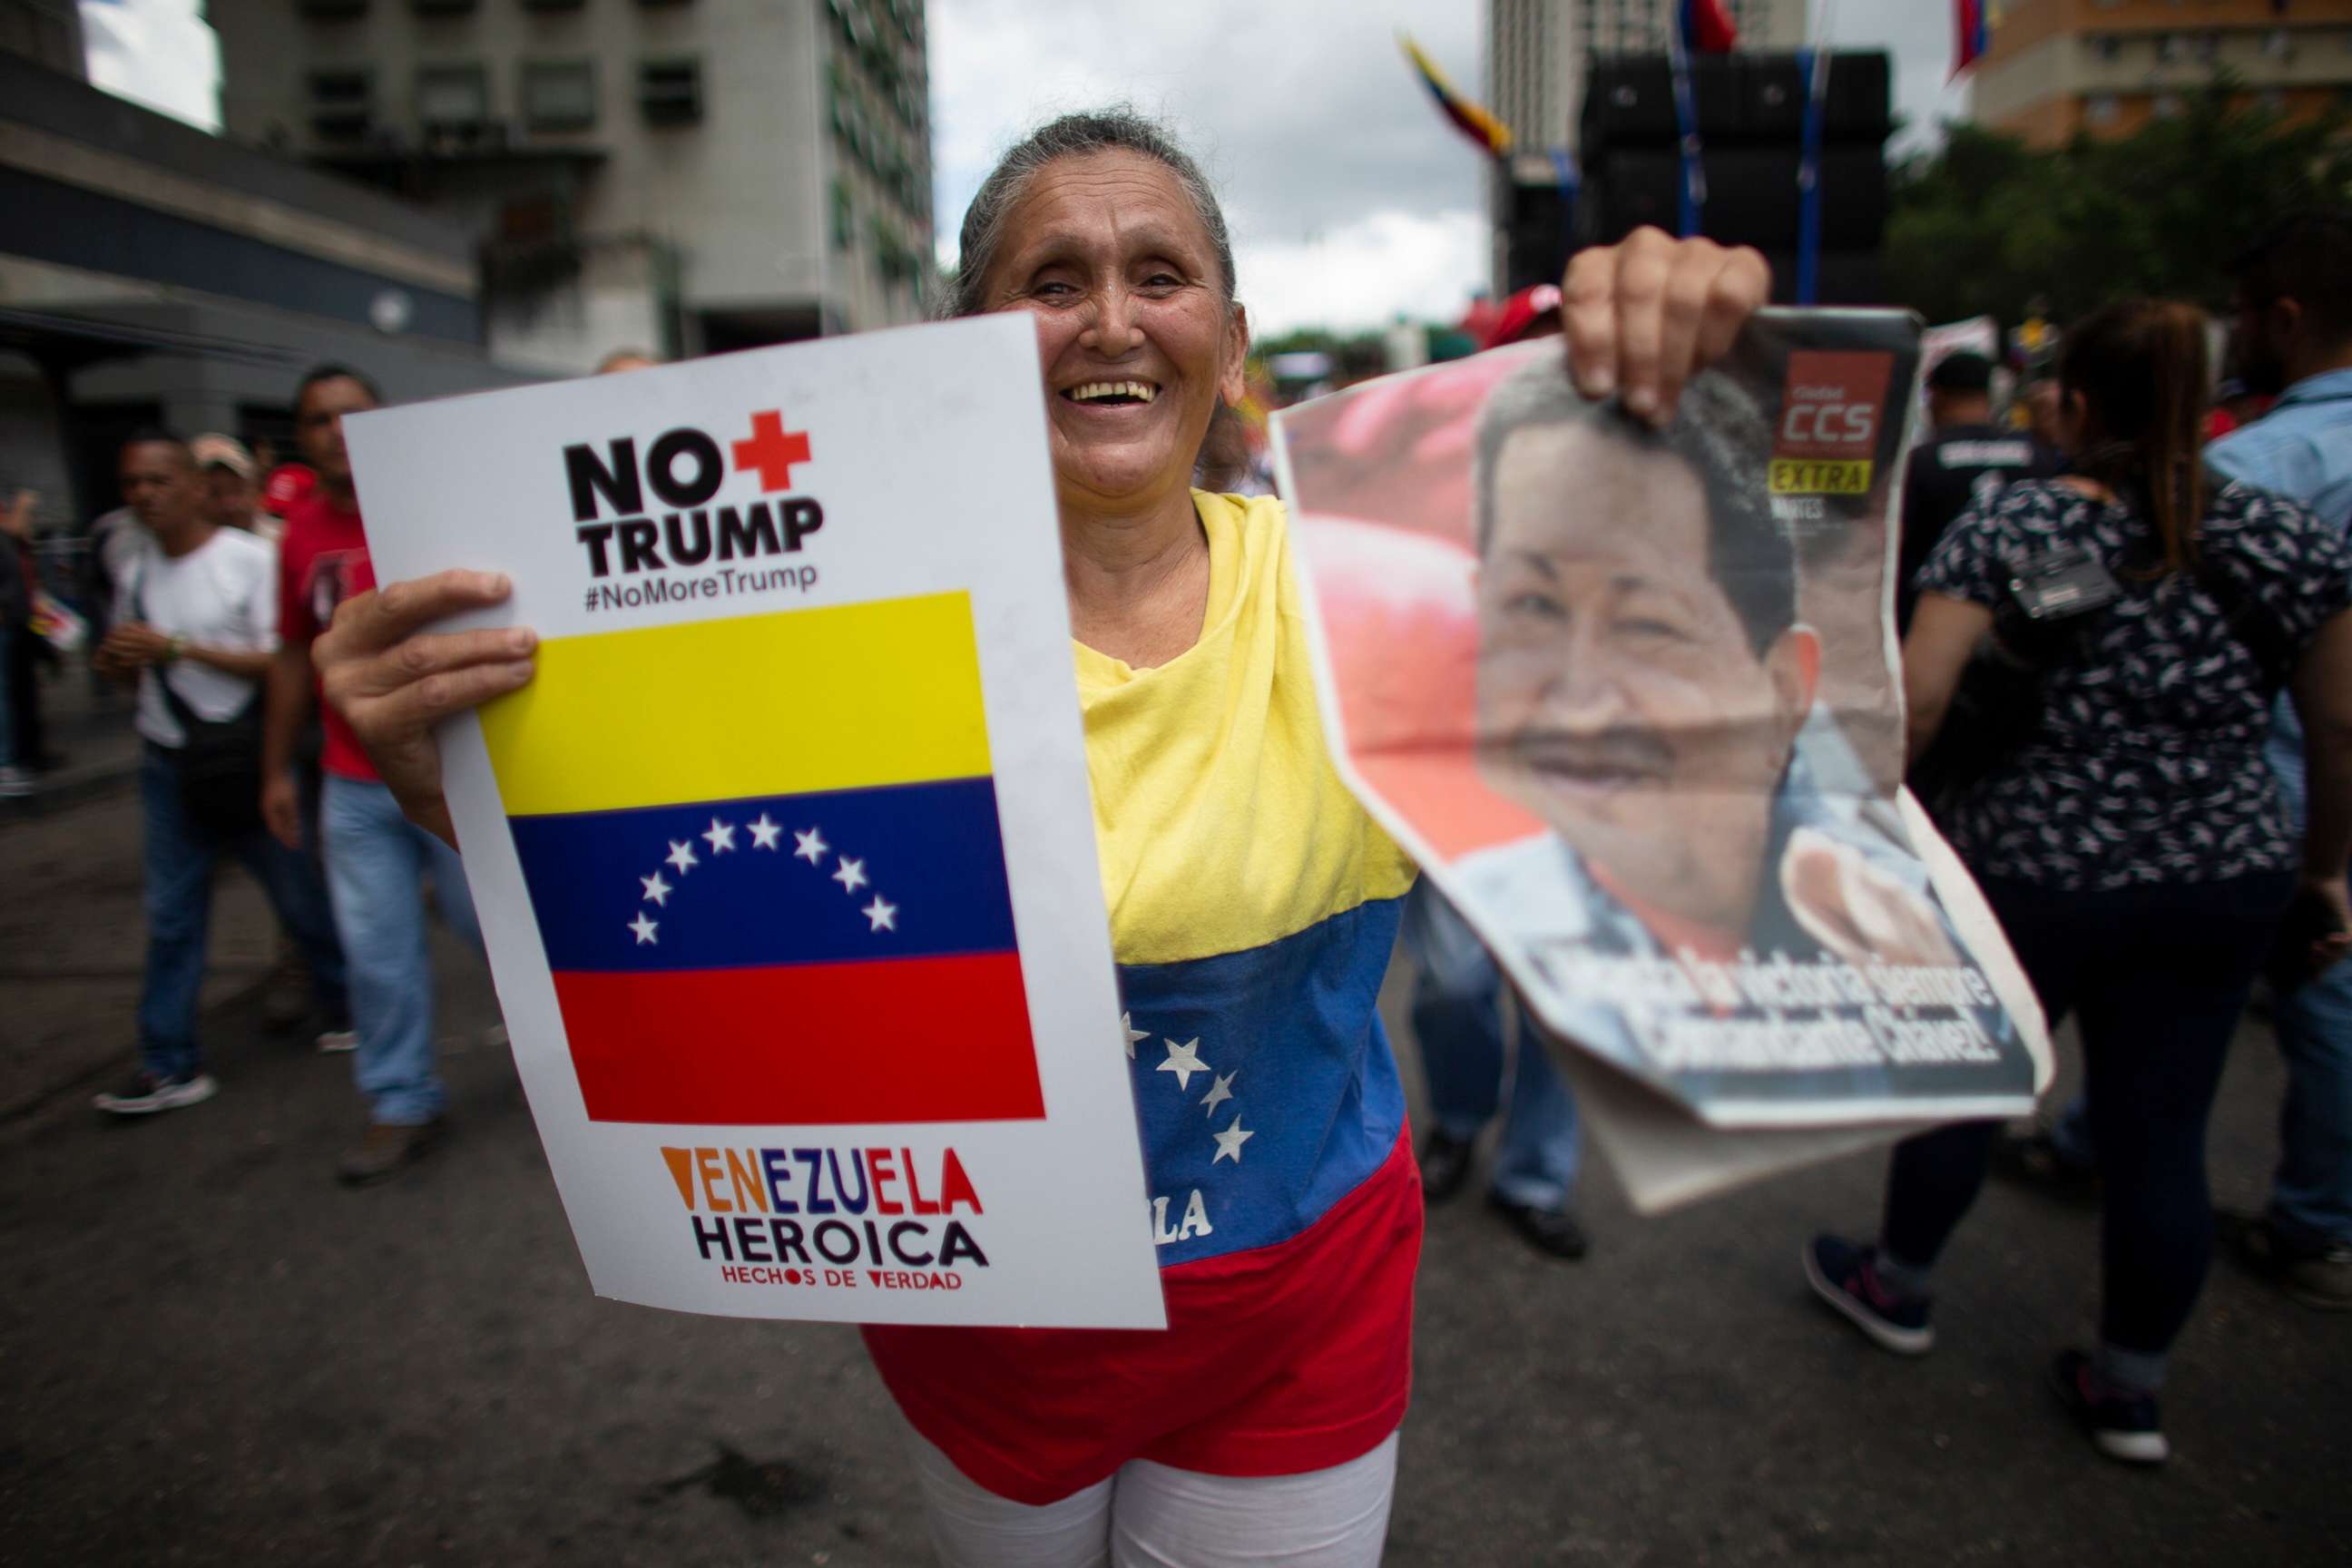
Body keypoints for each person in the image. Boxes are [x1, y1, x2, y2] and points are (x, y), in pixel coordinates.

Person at [304, 103, 1769, 1565]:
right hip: (983, 1325)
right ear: (970, 348)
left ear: (1232, 339)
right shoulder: (813, 637)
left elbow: (1668, 781)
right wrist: (466, 794)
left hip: (1297, 1315)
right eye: (1051, 281)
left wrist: (1670, 364)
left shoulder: (1377, 587)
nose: (1109, 319)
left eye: (1158, 273)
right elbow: (679, 918)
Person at [1805, 299, 2352, 1466]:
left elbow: (1929, 697)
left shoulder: (2021, 530)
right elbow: (2339, 726)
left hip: (2028, 865)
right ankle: (2131, 1387)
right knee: (2166, 1134)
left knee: (1968, 1086)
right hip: (2224, 871)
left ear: (2078, 404)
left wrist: (1867, 836)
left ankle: (1899, 1287)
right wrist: (2327, 873)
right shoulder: (2291, 539)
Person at [1454, 352, 2008, 1105]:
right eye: (1532, 607)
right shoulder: (1499, 864)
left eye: (1648, 626)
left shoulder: (1885, 921)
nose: (1575, 700)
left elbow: (1978, 1051)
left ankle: (1534, 1182)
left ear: (1783, 686)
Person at [261, 364, 481, 1184]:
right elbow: (290, 655)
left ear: (383, 422)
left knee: (494, 931)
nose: (335, 431)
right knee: (377, 953)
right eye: (317, 419)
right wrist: (279, 768)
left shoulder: (434, 514)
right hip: (352, 786)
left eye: (352, 415)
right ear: (303, 437)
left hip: (449, 770)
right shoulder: (295, 534)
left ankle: (583, 1078)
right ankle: (401, 1100)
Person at [87, 432, 348, 1116]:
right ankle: (169, 1062)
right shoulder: (133, 564)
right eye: (132, 485)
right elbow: (121, 661)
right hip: (168, 761)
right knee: (172, 915)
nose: (145, 496)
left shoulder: (250, 561)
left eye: (158, 480)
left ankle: (347, 1004)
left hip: (247, 756)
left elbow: (286, 658)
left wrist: (178, 648)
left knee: (299, 901)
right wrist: (120, 660)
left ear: (197, 488)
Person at [2210, 208, 2352, 1308]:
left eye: (2247, 315)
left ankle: (2316, 1223)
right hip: (2303, 790)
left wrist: (2321, 862)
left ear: (2285, 319)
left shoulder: (2262, 465)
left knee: (2310, 1004)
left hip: (2271, 789)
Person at [1406, 883, 1589, 1259]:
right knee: (1452, 985)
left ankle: (1533, 1179)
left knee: (1558, 1008)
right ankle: (1457, 1122)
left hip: (1576, 836)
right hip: (1460, 830)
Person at [1896, 351, 2056, 633]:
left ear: (1936, 395)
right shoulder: (2037, 455)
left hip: (1937, 623)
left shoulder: (1920, 461)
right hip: (2026, 625)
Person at [191, 434, 281, 543]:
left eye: (237, 490)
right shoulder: (176, 550)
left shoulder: (283, 540)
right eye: (214, 493)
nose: (229, 505)